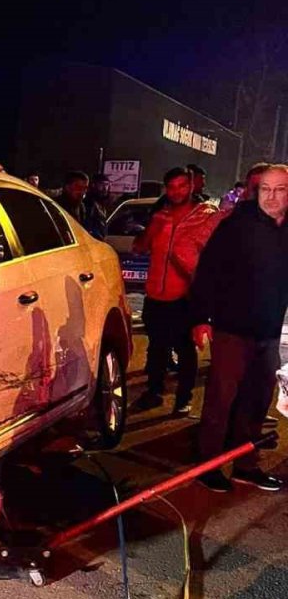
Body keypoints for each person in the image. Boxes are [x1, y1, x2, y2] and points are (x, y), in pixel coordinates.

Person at [190, 163, 288, 492]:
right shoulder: (236, 226)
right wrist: (201, 318)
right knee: (221, 399)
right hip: (233, 329)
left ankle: (246, 465)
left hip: (269, 332)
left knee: (257, 401)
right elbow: (208, 272)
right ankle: (209, 465)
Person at [131, 166, 221, 415]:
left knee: (185, 348)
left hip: (185, 295)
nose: (176, 191)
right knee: (157, 347)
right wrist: (153, 227)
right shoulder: (160, 214)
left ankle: (184, 398)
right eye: (171, 187)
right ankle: (154, 391)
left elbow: (215, 258)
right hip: (155, 295)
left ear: (192, 186)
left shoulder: (206, 216)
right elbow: (139, 248)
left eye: (182, 186)